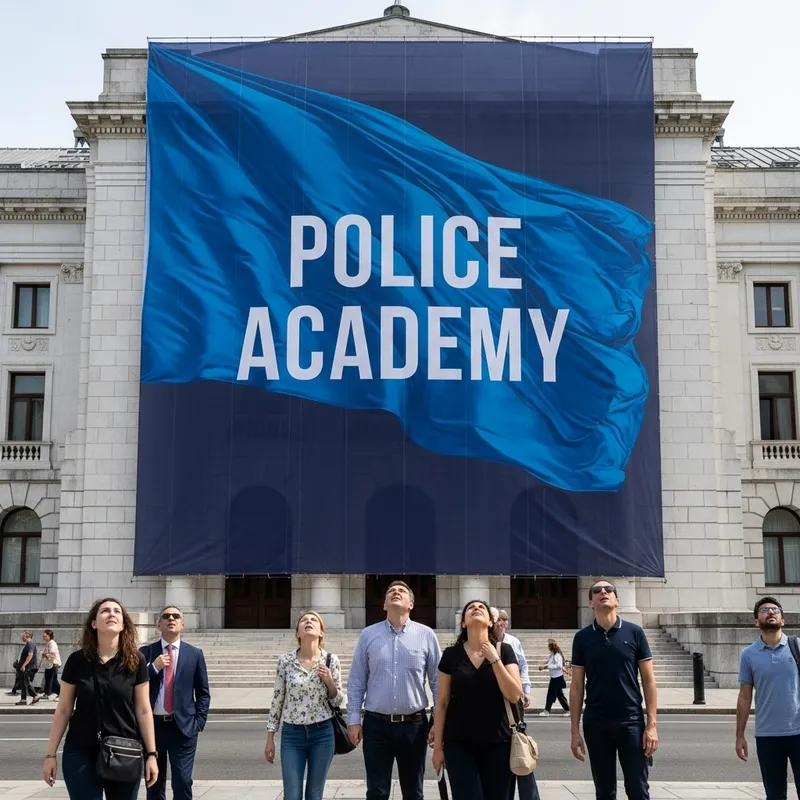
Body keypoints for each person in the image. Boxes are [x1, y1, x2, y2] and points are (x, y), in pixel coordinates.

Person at [41, 597, 158, 799]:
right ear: (94, 623)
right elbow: (63, 709)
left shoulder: (136, 660)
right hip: (80, 751)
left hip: (124, 750)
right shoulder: (77, 660)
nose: (111, 614)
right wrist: (50, 755)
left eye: (117, 611)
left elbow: (144, 710)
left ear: (123, 625)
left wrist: (151, 755)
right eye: (105, 611)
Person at [347, 580, 441, 800]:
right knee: (377, 792)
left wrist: (437, 720)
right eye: (391, 591)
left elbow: (438, 682)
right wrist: (353, 720)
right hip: (376, 725)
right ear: (384, 605)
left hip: (414, 726)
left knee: (414, 792)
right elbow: (357, 681)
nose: (395, 592)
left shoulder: (426, 635)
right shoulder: (368, 635)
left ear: (411, 604)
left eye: (401, 591)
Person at [569, 579, 658, 800]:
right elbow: (577, 687)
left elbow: (649, 681)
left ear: (617, 600)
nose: (603, 592)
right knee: (604, 791)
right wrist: (574, 732)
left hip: (631, 721)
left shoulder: (635, 632)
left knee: (638, 789)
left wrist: (652, 726)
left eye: (609, 589)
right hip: (596, 722)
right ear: (591, 602)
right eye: (597, 590)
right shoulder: (582, 638)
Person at [433, 599, 522, 800]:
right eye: (471, 608)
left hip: (499, 742)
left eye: (481, 607)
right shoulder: (451, 655)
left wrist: (494, 659)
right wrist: (438, 748)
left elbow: (514, 694)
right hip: (458, 743)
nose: (476, 609)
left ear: (490, 622)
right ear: (463, 623)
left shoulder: (504, 651)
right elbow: (442, 703)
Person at [265, 611, 343, 800]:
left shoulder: (331, 660)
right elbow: (278, 699)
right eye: (304, 620)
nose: (308, 621)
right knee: (292, 795)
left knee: (314, 795)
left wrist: (329, 682)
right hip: (292, 735)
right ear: (298, 633)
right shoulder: (286, 661)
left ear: (321, 632)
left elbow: (338, 701)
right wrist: (270, 737)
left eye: (314, 620)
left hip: (323, 734)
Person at [141, 605, 211, 800]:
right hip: (153, 727)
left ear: (182, 624)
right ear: (159, 625)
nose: (171, 619)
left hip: (184, 728)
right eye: (166, 616)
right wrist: (153, 668)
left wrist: (198, 722)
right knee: (154, 783)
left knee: (182, 781)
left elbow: (203, 693)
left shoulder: (194, 654)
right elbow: (133, 684)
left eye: (176, 616)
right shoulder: (146, 652)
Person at [736, 596, 800, 799]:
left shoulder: (797, 646)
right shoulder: (748, 654)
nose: (770, 612)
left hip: (798, 731)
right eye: (764, 610)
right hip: (767, 736)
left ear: (783, 620)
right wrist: (739, 735)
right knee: (774, 795)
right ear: (756, 622)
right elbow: (744, 696)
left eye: (775, 610)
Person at [490, 607, 541, 800]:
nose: (501, 623)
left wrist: (526, 690)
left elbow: (523, 666)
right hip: (492, 704)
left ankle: (529, 795)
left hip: (512, 702)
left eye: (504, 620)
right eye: (497, 620)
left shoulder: (511, 643)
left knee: (519, 746)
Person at [538, 639, 569, 716]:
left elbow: (559, 666)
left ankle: (546, 711)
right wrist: (544, 666)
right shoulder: (552, 655)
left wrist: (547, 666)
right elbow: (550, 663)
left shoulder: (557, 655)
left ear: (551, 647)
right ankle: (569, 710)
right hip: (555, 678)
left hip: (557, 678)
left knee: (551, 694)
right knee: (560, 695)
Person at [34, 630, 62, 703]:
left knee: (53, 681)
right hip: (49, 664)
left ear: (49, 636)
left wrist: (44, 654)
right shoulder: (48, 643)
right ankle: (47, 693)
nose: (44, 637)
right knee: (48, 679)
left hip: (53, 664)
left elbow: (52, 654)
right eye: (43, 636)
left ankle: (61, 694)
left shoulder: (52, 643)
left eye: (45, 636)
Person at [15, 631, 38, 706]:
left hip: (29, 667)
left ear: (28, 636)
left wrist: (24, 665)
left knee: (26, 682)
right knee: (23, 682)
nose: (22, 637)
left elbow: (30, 655)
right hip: (27, 667)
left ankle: (35, 696)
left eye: (23, 636)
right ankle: (23, 699)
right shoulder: (28, 644)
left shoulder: (31, 644)